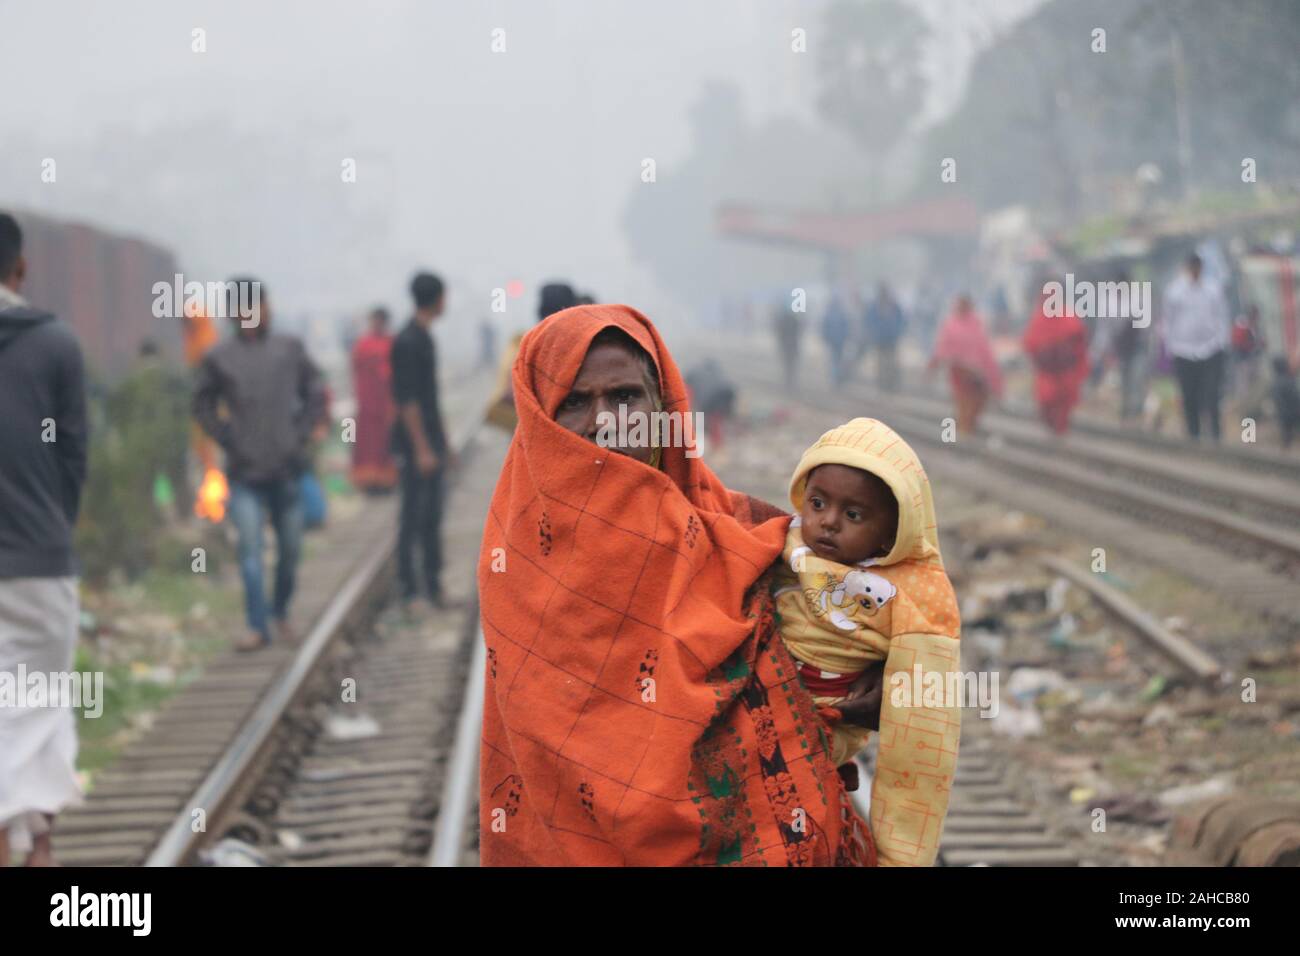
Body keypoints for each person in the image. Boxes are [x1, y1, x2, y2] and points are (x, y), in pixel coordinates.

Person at [477, 304, 884, 867]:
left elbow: (893, 601)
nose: (604, 420)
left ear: (663, 408)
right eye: (573, 401)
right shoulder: (516, 560)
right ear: (540, 417)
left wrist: (890, 666)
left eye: (624, 397)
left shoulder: (747, 532)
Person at [772, 418, 961, 866]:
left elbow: (922, 736)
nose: (829, 523)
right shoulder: (780, 545)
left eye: (853, 515)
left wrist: (899, 856)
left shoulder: (915, 596)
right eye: (817, 503)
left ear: (892, 533)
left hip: (824, 732)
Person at [0, 212, 88, 866]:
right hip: (36, 566)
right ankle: (33, 851)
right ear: (19, 268)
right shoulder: (55, 343)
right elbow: (70, 466)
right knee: (38, 713)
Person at [193, 278, 325, 652]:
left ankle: (280, 610)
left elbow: (315, 389)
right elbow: (201, 404)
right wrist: (227, 437)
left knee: (291, 550)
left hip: (287, 470)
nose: (261, 311)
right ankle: (256, 626)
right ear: (236, 312)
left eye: (263, 303)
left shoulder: (289, 349)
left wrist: (301, 432)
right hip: (244, 474)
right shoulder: (220, 358)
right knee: (250, 553)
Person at [391, 272, 454, 609]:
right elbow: (408, 401)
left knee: (431, 516)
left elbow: (431, 398)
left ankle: (432, 586)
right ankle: (409, 589)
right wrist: (423, 449)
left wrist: (444, 443)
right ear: (437, 298)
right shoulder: (407, 342)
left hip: (430, 442)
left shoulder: (423, 338)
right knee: (413, 516)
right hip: (416, 446)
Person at [485, 281, 579, 431]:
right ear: (574, 307)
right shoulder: (583, 345)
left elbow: (506, 381)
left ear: (539, 309)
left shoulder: (522, 342)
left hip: (528, 428)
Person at [1161, 253, 1230, 441]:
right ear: (1187, 268)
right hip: (1183, 350)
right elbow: (1168, 321)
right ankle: (1194, 434)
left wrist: (1221, 342)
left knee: (1212, 393)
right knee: (1189, 394)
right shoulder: (1174, 291)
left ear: (1201, 268)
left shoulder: (1213, 289)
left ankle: (1216, 434)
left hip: (1211, 349)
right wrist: (1170, 348)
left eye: (1197, 267)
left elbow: (1222, 316)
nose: (1195, 271)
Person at [929, 295, 1003, 435]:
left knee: (977, 401)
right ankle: (963, 432)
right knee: (964, 402)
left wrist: (993, 376)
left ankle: (967, 429)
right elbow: (943, 348)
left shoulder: (976, 324)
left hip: (977, 373)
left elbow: (984, 349)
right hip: (960, 372)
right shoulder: (951, 324)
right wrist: (933, 365)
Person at [1023, 287, 1090, 436]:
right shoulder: (1039, 319)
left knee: (1064, 404)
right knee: (1046, 401)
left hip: (1065, 372)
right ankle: (1053, 430)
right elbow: (1030, 344)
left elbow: (1079, 341)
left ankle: (1060, 434)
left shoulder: (1069, 317)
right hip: (1047, 373)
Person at [349, 307, 398, 493]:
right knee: (367, 443)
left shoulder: (391, 343)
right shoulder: (362, 345)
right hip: (367, 402)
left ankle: (386, 480)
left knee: (386, 443)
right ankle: (367, 481)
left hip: (386, 402)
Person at [865, 283, 906, 391]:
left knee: (892, 364)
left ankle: (891, 385)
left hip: (891, 339)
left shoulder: (893, 305)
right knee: (882, 365)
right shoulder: (875, 306)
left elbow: (902, 320)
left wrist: (897, 331)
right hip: (881, 340)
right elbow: (869, 322)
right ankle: (883, 385)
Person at [820, 292, 852, 388]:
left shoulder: (830, 314)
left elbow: (824, 328)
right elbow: (825, 328)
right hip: (836, 341)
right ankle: (836, 379)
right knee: (836, 360)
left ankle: (836, 378)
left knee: (835, 360)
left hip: (836, 341)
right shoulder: (839, 314)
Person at [1272, 355, 1300, 449]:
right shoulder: (1289, 381)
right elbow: (1296, 397)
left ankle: (1286, 447)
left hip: (1283, 413)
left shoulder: (1276, 382)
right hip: (1293, 412)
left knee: (1286, 432)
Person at [774, 301, 803, 389]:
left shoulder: (782, 320)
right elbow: (799, 331)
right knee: (792, 364)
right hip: (793, 345)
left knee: (787, 364)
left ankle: (788, 381)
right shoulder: (795, 320)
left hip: (785, 345)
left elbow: (779, 333)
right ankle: (791, 381)